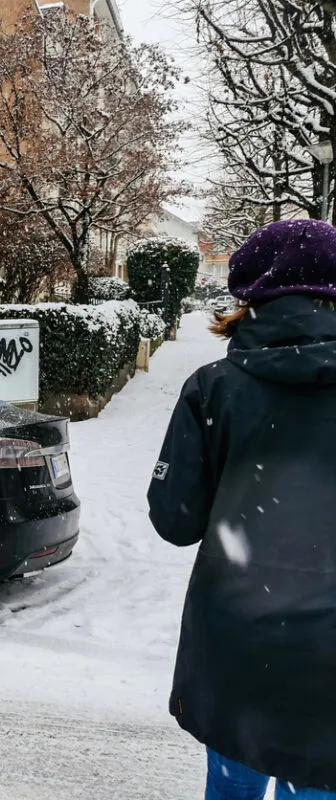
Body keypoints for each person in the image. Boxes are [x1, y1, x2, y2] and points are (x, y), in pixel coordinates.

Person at [148, 219, 336, 799]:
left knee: (233, 782)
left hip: (237, 643)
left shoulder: (213, 389)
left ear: (246, 296)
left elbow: (175, 520)